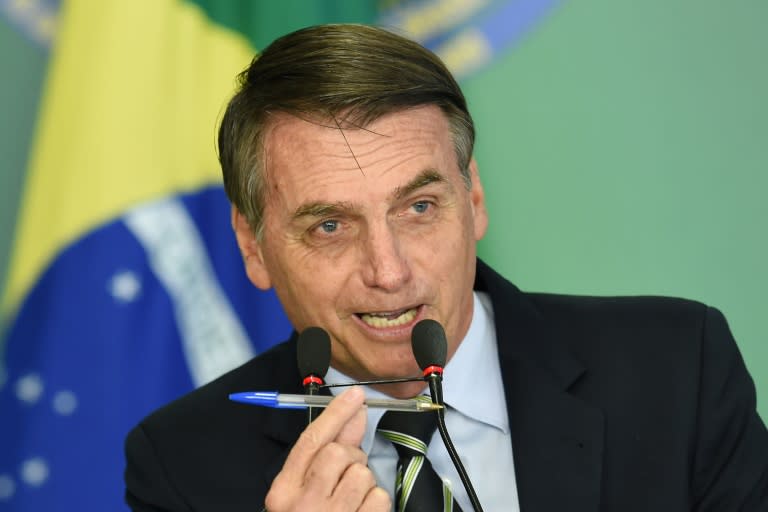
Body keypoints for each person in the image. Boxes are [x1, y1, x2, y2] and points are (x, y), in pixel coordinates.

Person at [123, 24, 768, 512]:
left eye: (419, 207)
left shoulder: (677, 371)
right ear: (254, 247)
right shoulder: (184, 466)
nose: (388, 270)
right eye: (329, 225)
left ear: (475, 199)